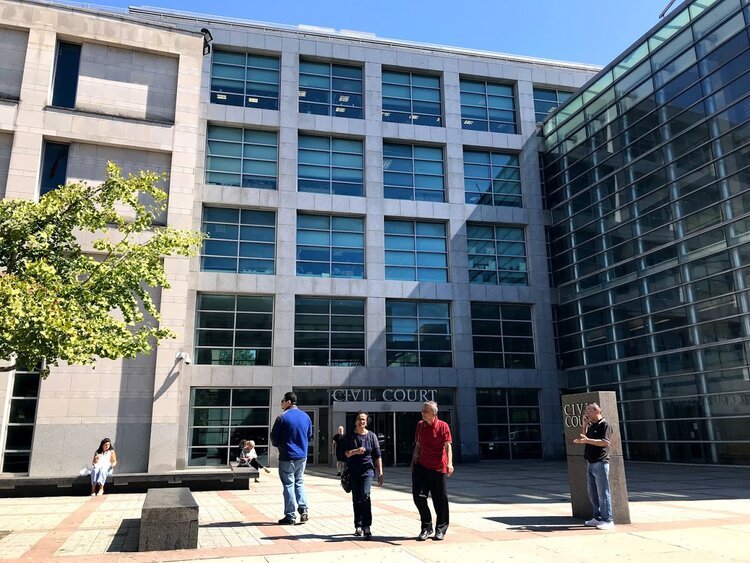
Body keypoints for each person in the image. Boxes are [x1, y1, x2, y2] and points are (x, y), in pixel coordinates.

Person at [410, 401, 453, 541]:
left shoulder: (443, 426)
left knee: (440, 499)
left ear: (434, 413)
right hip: (422, 466)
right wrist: (413, 460)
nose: (423, 413)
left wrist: (450, 463)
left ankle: (441, 529)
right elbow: (418, 444)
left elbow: (448, 446)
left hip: (438, 467)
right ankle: (426, 527)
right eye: (422, 411)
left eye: (425, 411)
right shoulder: (420, 425)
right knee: (418, 497)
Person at [270, 391, 313, 525]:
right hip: (302, 456)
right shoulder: (306, 416)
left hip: (287, 456)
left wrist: (279, 444)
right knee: (299, 481)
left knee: (288, 485)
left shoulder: (282, 417)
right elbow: (309, 436)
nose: (281, 403)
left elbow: (274, 438)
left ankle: (290, 516)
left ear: (288, 401)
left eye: (282, 401)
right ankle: (303, 509)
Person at [573, 402, 615, 530]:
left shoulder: (605, 424)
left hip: (600, 462)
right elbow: (585, 437)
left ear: (597, 411)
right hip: (591, 462)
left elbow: (605, 442)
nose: (587, 413)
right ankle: (597, 517)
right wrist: (584, 425)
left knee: (603, 492)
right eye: (586, 411)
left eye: (589, 411)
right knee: (593, 493)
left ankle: (608, 520)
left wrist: (587, 441)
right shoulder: (593, 425)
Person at [344, 412, 383, 539]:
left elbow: (377, 455)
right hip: (354, 471)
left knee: (365, 495)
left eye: (364, 420)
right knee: (356, 498)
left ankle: (367, 526)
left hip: (367, 471)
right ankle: (358, 525)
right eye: (359, 419)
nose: (361, 422)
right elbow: (346, 453)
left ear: (367, 421)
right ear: (355, 421)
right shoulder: (350, 436)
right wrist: (356, 451)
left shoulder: (372, 436)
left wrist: (380, 472)